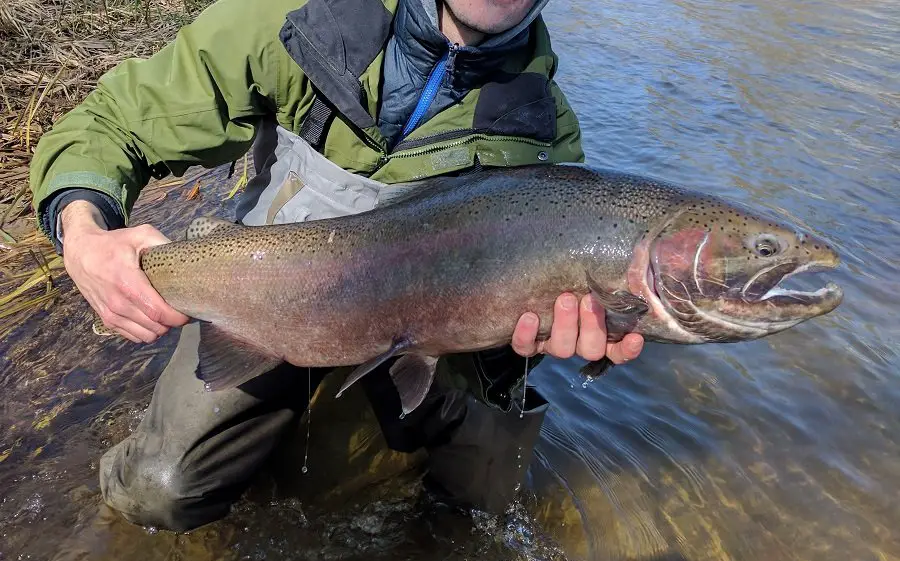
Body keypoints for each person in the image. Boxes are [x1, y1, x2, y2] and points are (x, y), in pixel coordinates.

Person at [29, 0, 644, 532]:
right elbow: (114, 124)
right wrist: (83, 233)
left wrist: (580, 341)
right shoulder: (300, 16)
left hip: (429, 337)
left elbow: (548, 309)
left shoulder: (546, 131)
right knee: (161, 490)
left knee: (483, 502)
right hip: (266, 298)